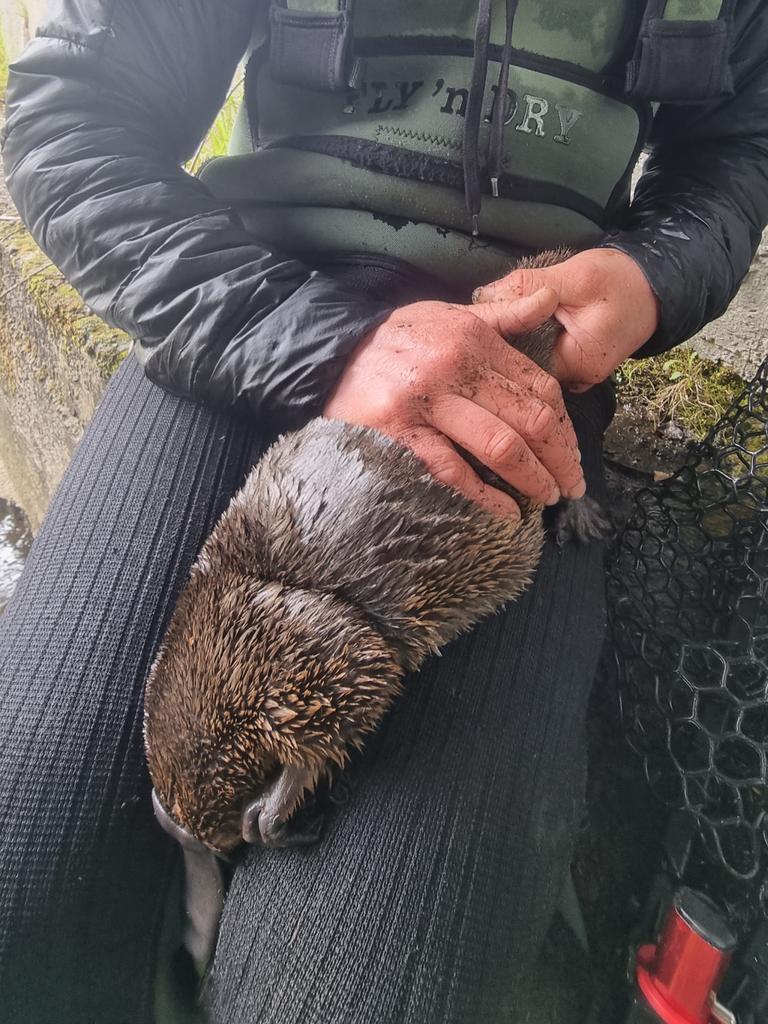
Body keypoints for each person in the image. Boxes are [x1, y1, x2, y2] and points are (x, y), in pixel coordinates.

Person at [0, 2, 765, 1022]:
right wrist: (323, 342)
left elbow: (735, 149)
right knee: (20, 873)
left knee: (374, 995)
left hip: (519, 381)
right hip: (249, 301)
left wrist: (655, 271)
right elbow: (68, 120)